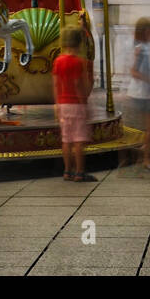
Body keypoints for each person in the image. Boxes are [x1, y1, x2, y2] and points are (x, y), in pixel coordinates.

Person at [53, 25, 95, 182]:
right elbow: (78, 84)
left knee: (66, 139)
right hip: (76, 104)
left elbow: (56, 84)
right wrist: (83, 102)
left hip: (62, 103)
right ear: (79, 43)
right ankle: (79, 171)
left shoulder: (58, 61)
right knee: (78, 140)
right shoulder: (79, 62)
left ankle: (67, 171)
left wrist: (56, 104)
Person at [127, 16, 150, 172]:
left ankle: (145, 154)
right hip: (144, 93)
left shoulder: (148, 46)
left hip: (149, 92)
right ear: (146, 31)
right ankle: (146, 158)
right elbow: (134, 71)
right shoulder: (142, 48)